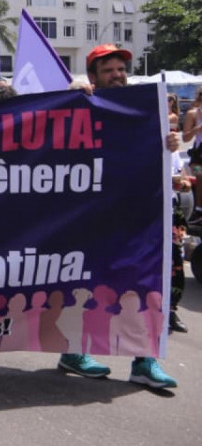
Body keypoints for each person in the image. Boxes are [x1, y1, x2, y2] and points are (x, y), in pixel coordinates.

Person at [57, 44, 179, 389]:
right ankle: (73, 350)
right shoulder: (82, 103)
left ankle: (145, 360)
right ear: (94, 76)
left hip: (136, 217)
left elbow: (158, 155)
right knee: (82, 283)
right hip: (88, 216)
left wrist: (168, 144)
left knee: (143, 284)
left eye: (122, 69)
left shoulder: (145, 111)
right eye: (109, 70)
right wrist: (74, 97)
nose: (118, 75)